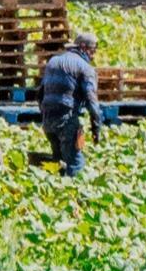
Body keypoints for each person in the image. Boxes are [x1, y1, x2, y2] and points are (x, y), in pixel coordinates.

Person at [40, 32, 104, 176]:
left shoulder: (53, 62)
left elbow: (40, 93)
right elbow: (91, 101)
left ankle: (57, 193)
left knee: (59, 163)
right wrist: (96, 128)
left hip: (48, 121)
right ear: (84, 48)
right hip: (66, 120)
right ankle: (75, 195)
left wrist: (44, 115)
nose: (93, 56)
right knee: (76, 163)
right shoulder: (85, 68)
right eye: (92, 52)